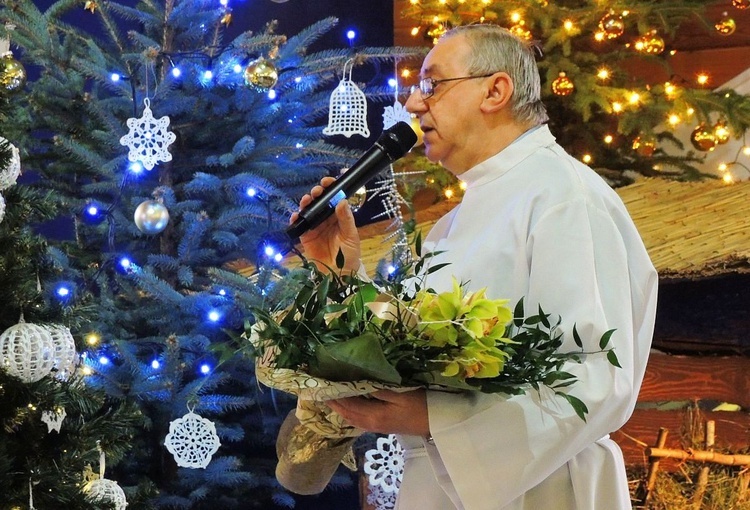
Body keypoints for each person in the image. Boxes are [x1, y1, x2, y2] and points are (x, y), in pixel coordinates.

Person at [291, 24, 658, 510]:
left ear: (496, 90)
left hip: (542, 489)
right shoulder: (451, 226)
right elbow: (411, 351)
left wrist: (435, 418)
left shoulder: (564, 197)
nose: (415, 106)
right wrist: (341, 273)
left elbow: (597, 376)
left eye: (431, 85)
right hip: (439, 484)